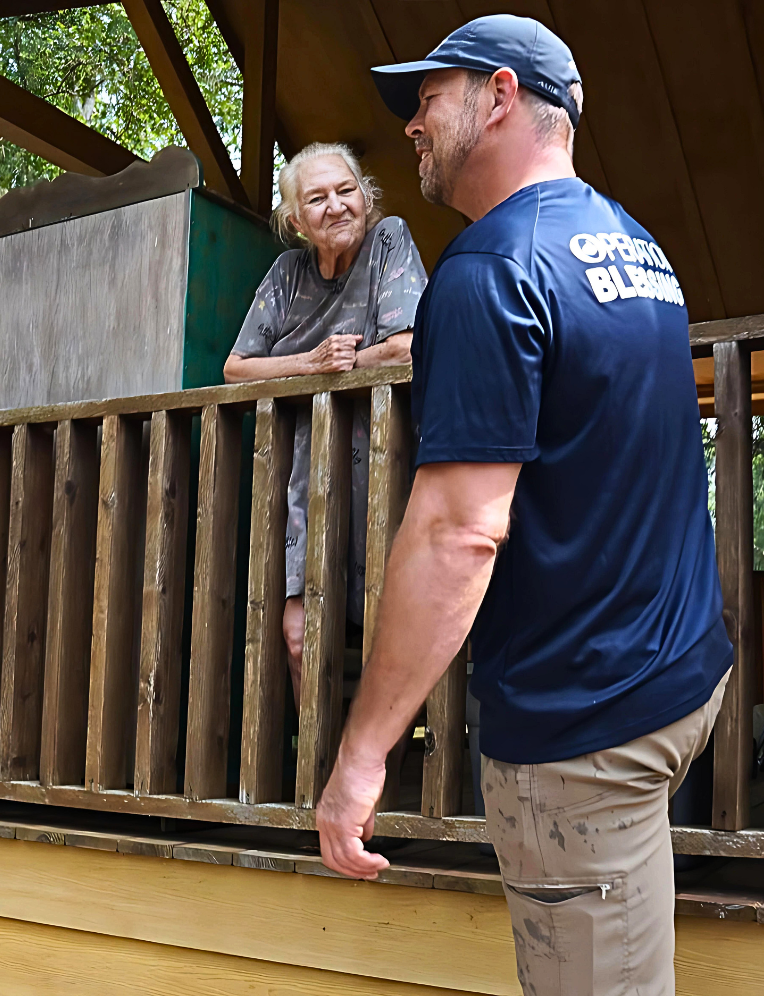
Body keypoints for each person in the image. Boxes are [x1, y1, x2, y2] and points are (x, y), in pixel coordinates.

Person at [315, 15, 733, 996]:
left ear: (500, 95)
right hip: (677, 680)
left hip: (582, 735)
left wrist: (360, 756)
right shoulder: (635, 249)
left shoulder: (487, 271)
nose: (410, 124)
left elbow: (458, 534)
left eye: (427, 97)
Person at [224, 142, 428, 702]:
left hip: (388, 470)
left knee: (393, 632)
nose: (336, 206)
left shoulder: (389, 241)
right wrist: (311, 364)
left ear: (365, 197)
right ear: (296, 220)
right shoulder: (288, 272)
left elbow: (407, 346)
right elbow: (236, 368)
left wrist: (348, 365)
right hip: (307, 480)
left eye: (346, 191)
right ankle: (320, 776)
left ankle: (375, 778)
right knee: (299, 634)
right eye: (317, 199)